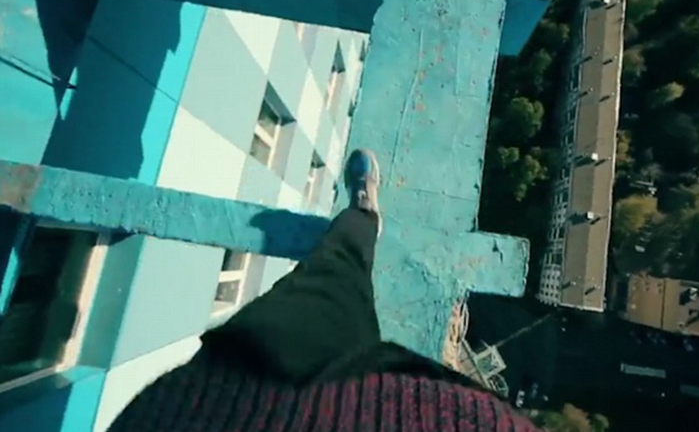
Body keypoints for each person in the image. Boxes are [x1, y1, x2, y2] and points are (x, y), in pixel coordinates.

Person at [109, 150, 541, 431]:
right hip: (380, 395)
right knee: (334, 284)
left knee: (329, 282)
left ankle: (362, 220)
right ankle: (360, 223)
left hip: (233, 396)